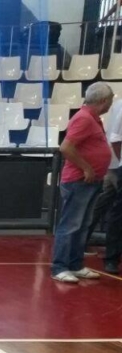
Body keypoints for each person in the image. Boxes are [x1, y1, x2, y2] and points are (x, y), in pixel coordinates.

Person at [53, 82, 113, 283]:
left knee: (82, 224)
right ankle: (59, 266)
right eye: (111, 100)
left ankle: (75, 264)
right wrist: (87, 167)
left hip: (89, 181)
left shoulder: (92, 119)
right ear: (104, 100)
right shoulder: (84, 119)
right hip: (79, 181)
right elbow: (66, 147)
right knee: (71, 224)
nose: (111, 104)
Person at [88, 96, 122, 275]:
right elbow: (116, 139)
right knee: (116, 212)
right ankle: (111, 257)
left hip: (115, 163)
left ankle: (83, 240)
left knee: (106, 205)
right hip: (116, 165)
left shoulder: (118, 104)